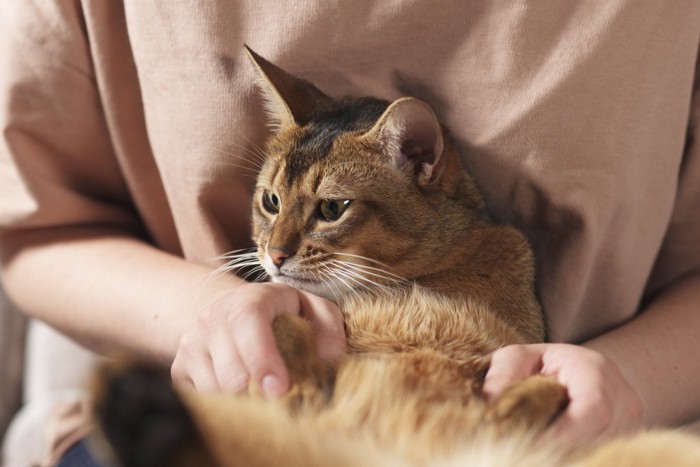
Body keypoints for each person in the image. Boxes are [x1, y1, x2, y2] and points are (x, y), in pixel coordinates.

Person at [1, 1, 699, 464]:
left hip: (559, 438)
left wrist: (628, 379)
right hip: (255, 415)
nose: (275, 250)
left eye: (325, 210)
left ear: (422, 162)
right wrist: (202, 314)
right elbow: (33, 227)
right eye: (271, 204)